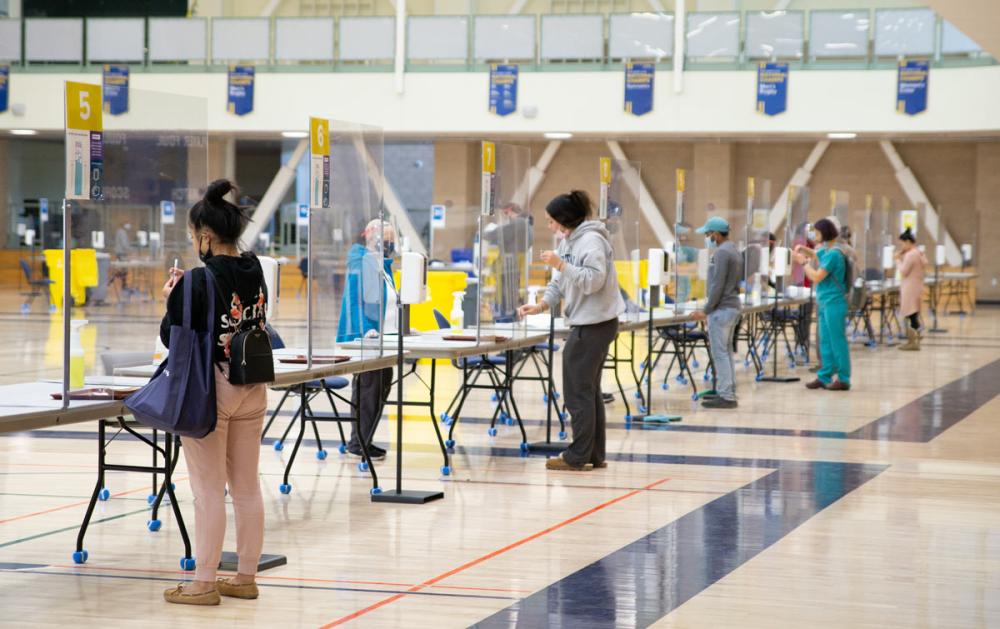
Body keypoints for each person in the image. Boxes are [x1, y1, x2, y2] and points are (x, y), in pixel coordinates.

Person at [160, 179, 269, 605]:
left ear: (205, 236)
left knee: (207, 491)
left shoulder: (197, 281)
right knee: (246, 487)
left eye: (192, 236)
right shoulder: (255, 267)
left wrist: (171, 299)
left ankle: (203, 582)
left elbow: (174, 338)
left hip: (212, 391)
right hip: (252, 383)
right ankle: (244, 576)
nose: (193, 243)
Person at [517, 191, 624, 471]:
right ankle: (593, 455)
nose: (550, 226)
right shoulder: (568, 241)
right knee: (588, 391)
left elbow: (593, 281)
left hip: (594, 324)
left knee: (577, 392)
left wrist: (561, 264)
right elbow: (560, 282)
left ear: (564, 220)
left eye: (552, 221)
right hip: (586, 322)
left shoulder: (591, 241)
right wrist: (540, 305)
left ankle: (577, 456)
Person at [336, 220, 397, 460]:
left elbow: (388, 300)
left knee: (381, 386)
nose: (389, 243)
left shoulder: (383, 265)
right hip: (368, 338)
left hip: (386, 338)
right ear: (370, 236)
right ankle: (357, 443)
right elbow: (354, 301)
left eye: (392, 239)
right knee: (368, 389)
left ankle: (365, 439)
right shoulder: (361, 262)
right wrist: (364, 331)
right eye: (386, 238)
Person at [793, 218, 851, 391]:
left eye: (817, 232)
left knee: (837, 341)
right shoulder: (827, 249)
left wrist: (803, 262)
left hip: (834, 302)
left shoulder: (834, 254)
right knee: (824, 340)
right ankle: (824, 375)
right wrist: (804, 250)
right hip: (824, 302)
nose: (815, 235)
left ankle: (844, 378)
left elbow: (817, 276)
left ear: (825, 232)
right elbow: (816, 254)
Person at [690, 217, 742, 409]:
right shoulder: (734, 251)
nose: (707, 237)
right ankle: (726, 391)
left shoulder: (721, 253)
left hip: (721, 310)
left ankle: (727, 396)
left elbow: (717, 285)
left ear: (716, 234)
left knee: (720, 354)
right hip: (733, 306)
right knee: (726, 352)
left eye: (708, 234)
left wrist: (706, 310)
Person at [895, 229, 926, 351]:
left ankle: (912, 341)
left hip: (909, 287)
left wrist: (897, 259)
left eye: (902, 244)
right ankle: (915, 338)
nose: (901, 246)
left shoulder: (911, 255)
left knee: (909, 313)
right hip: (916, 286)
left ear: (908, 242)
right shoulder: (918, 252)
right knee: (913, 313)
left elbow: (903, 271)